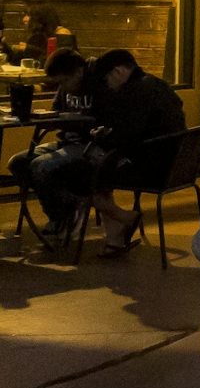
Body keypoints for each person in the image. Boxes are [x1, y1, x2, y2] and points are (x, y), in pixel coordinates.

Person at [82, 49, 186, 255]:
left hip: (152, 169)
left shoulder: (135, 92)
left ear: (118, 72)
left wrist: (102, 136)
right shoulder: (158, 85)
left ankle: (125, 219)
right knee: (102, 167)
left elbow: (127, 137)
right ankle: (115, 239)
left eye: (106, 80)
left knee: (85, 174)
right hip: (178, 166)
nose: (107, 86)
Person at [7, 49, 99, 243]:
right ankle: (66, 205)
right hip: (66, 140)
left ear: (79, 72)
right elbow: (56, 110)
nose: (63, 86)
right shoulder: (65, 87)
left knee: (40, 166)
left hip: (87, 144)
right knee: (17, 163)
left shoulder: (98, 87)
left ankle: (62, 216)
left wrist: (74, 121)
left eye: (64, 81)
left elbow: (103, 120)